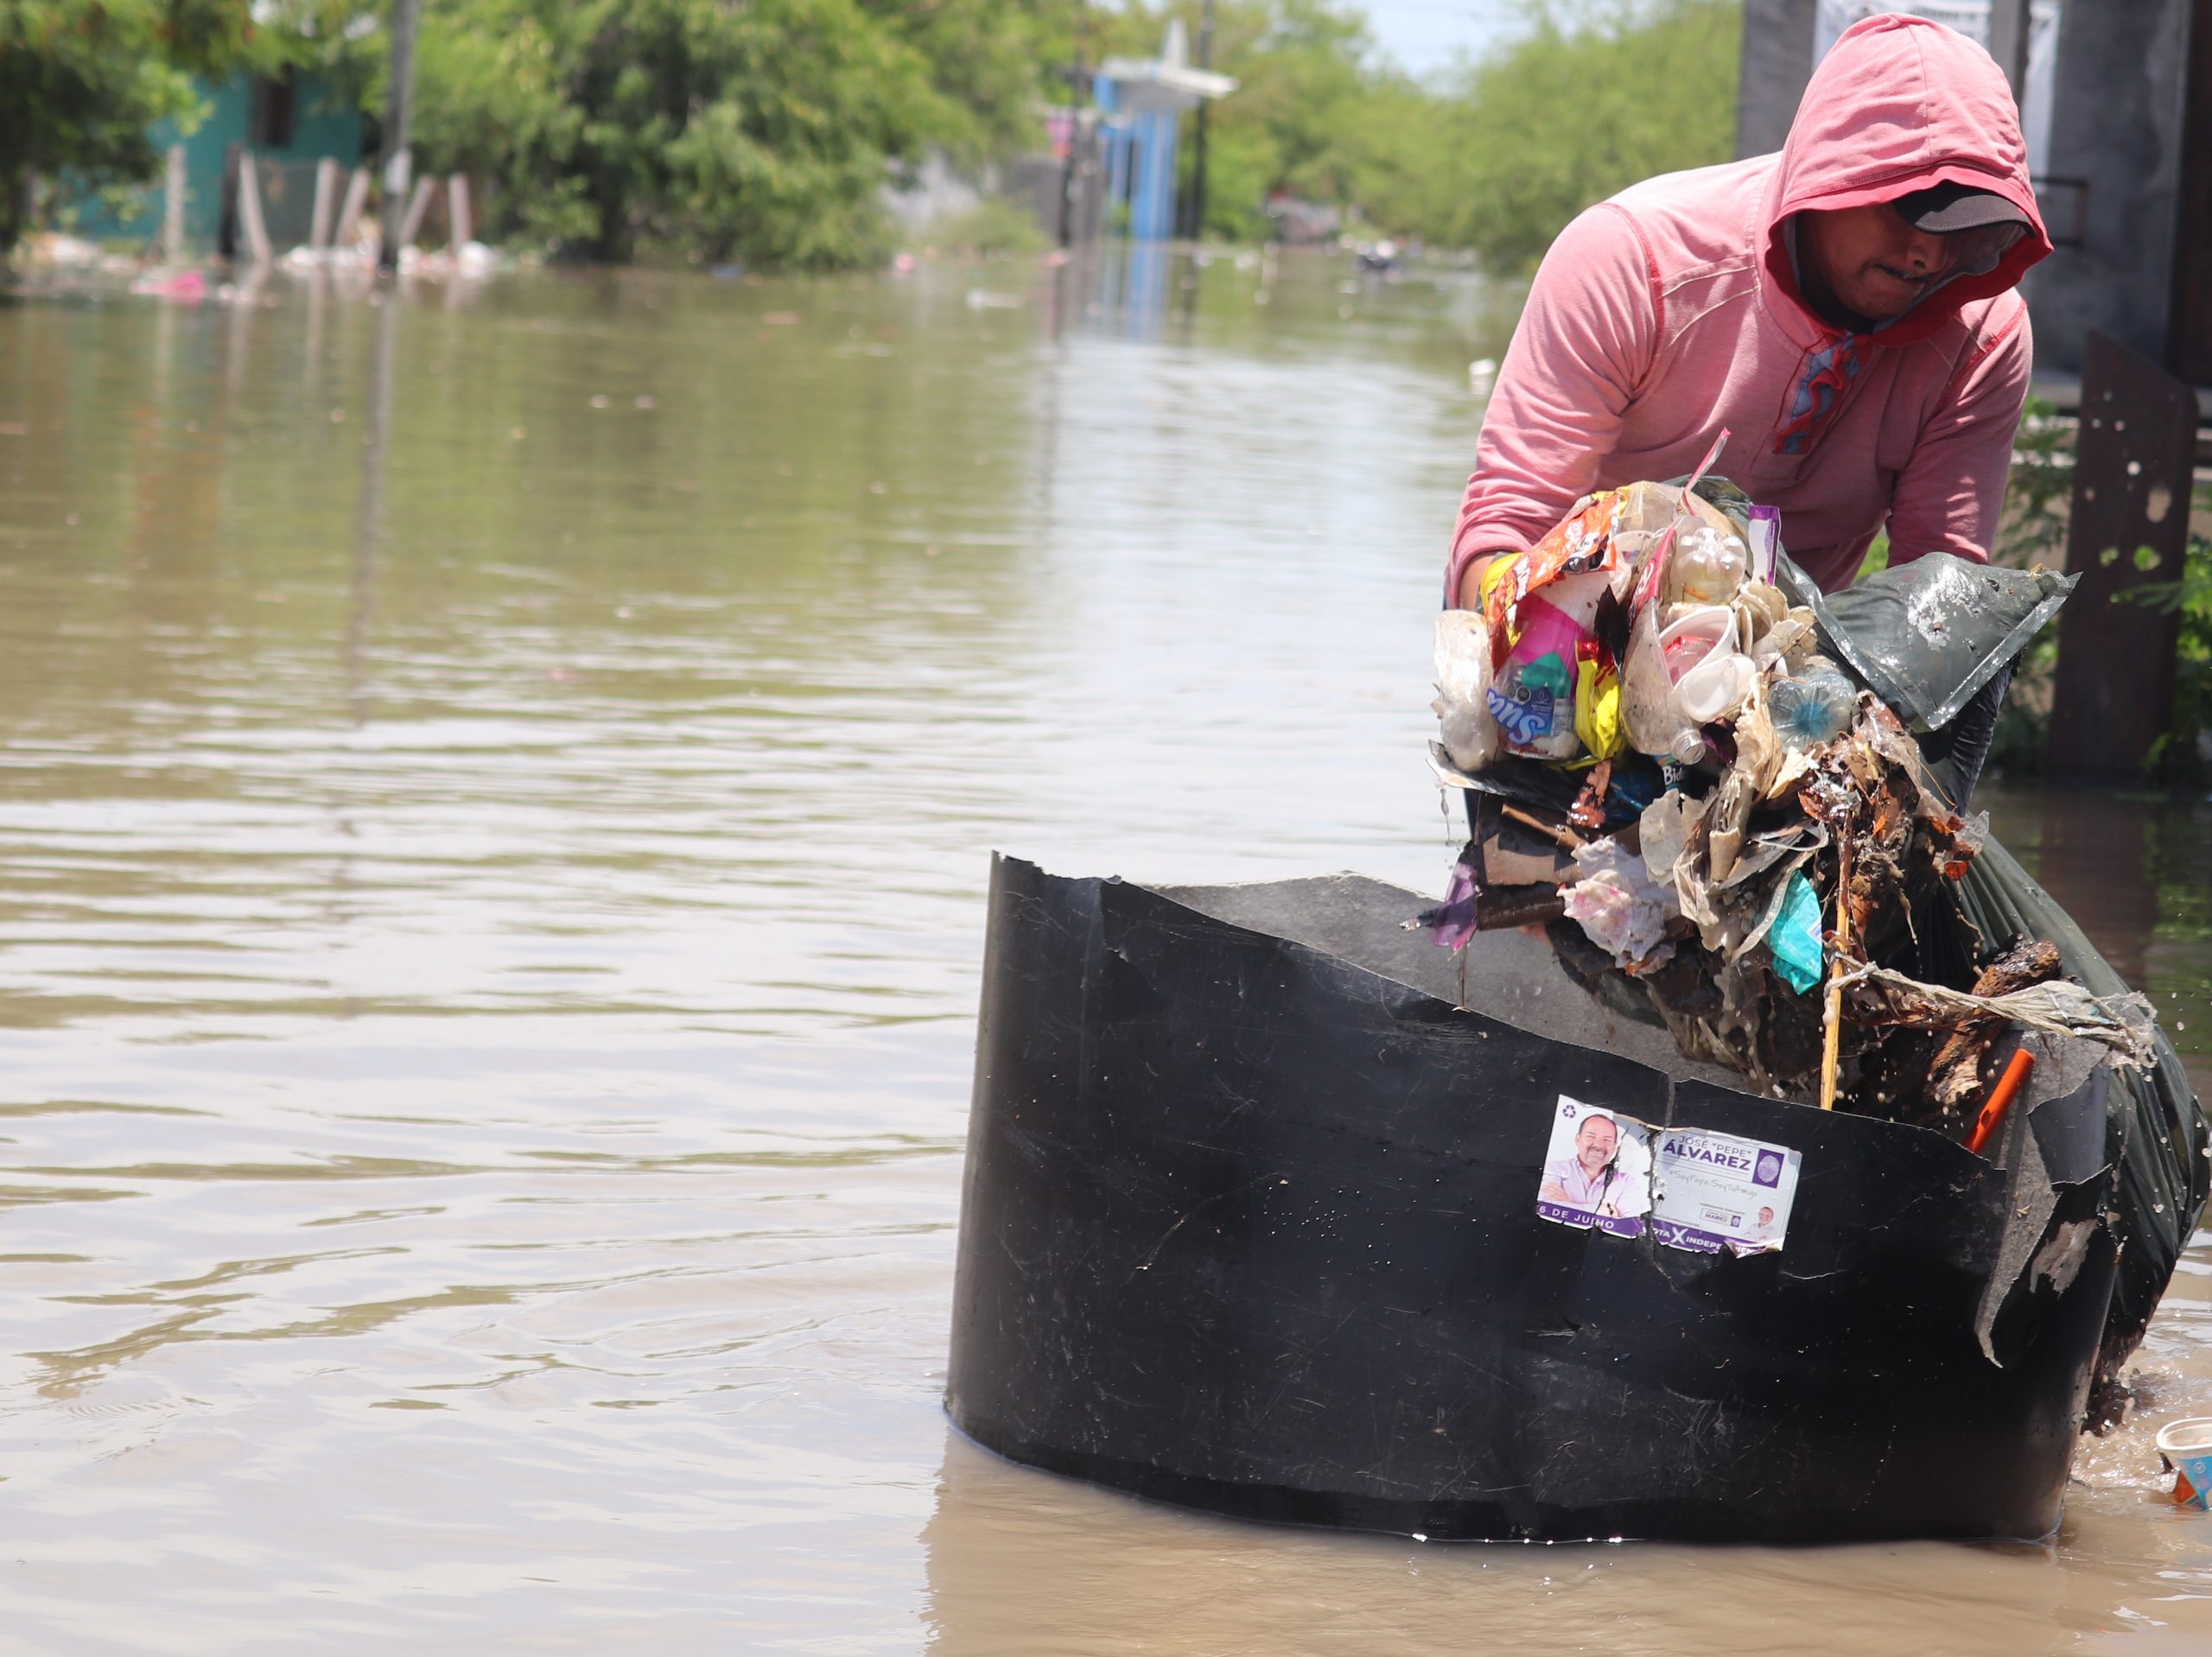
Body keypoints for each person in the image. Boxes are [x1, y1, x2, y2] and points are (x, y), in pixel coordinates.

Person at [1447, 14, 2052, 614]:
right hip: (1573, 641)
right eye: (1910, 213)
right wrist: (1528, 644)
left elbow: (1936, 596)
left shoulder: (1982, 338)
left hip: (1796, 679)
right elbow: (1509, 525)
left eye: (1967, 230)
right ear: (1831, 178)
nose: (1931, 254)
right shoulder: (1633, 261)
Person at [1540, 1110, 1644, 1218]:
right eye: (1591, 1136)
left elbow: (1630, 1225)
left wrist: (1569, 1205)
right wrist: (1605, 1211)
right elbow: (1544, 1208)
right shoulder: (1553, 1169)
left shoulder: (1626, 1183)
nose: (1598, 1144)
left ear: (1614, 1147)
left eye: (1606, 1140)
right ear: (1578, 1139)